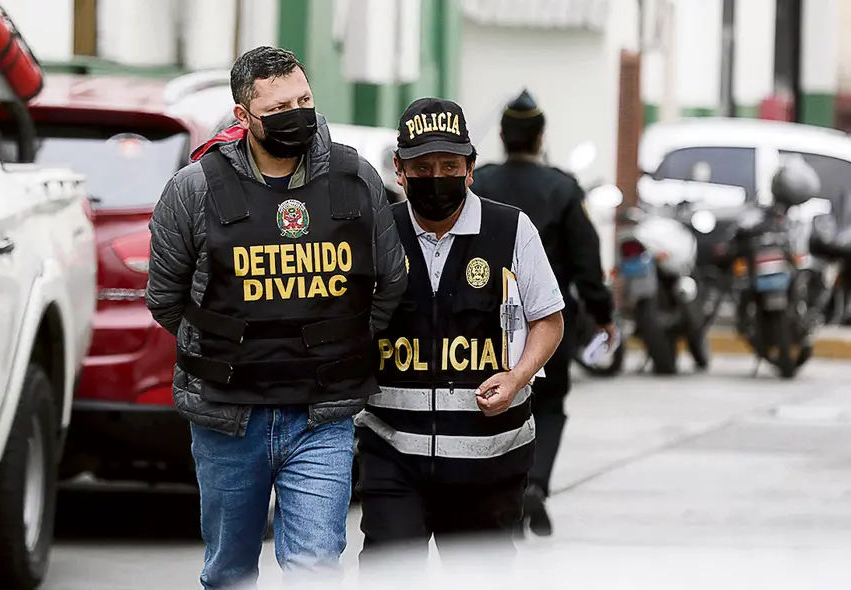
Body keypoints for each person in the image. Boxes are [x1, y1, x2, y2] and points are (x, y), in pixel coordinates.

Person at [145, 46, 407, 589]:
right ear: (244, 117)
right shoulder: (192, 190)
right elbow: (166, 299)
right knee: (229, 571)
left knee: (315, 570)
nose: (298, 113)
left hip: (322, 416)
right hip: (228, 417)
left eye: (304, 99)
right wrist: (230, 348)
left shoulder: (356, 179)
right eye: (280, 106)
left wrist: (343, 344)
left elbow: (391, 281)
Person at [355, 97, 566, 572]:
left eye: (449, 165)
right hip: (393, 455)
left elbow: (548, 319)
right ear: (400, 170)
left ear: (470, 168)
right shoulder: (376, 233)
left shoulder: (512, 230)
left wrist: (517, 376)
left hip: (489, 461)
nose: (436, 176)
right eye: (422, 166)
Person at [470, 89, 616, 538]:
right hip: (547, 323)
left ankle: (498, 490)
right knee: (548, 406)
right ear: (540, 138)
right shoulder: (563, 188)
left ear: (502, 136)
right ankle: (533, 483)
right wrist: (603, 313)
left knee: (485, 401)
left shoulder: (480, 183)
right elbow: (587, 261)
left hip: (479, 317)